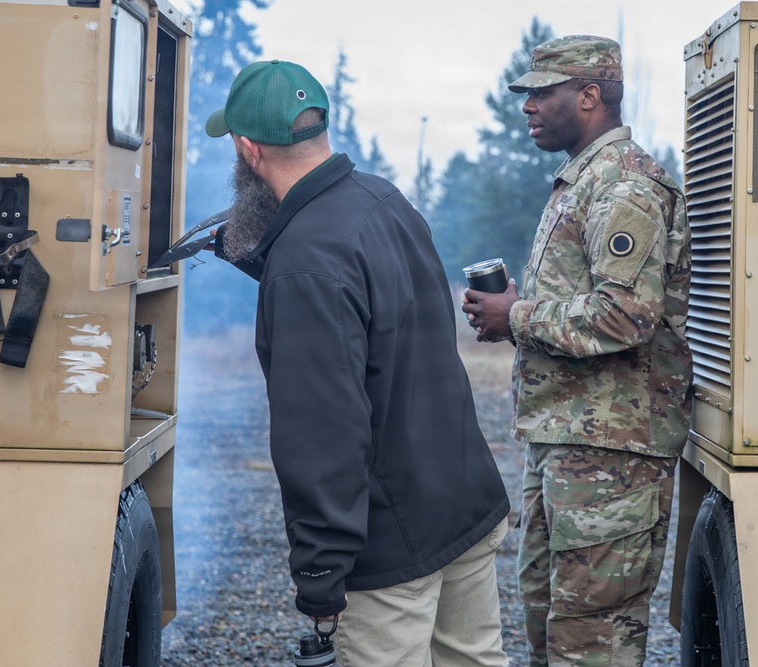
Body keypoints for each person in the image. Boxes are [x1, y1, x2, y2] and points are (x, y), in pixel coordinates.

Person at [205, 59, 511, 666]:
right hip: (462, 502)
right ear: (320, 128)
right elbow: (379, 317)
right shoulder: (384, 200)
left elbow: (322, 431)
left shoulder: (305, 264)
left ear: (248, 150)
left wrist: (320, 574)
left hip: (392, 542)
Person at [461, 35, 692, 666]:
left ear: (589, 96)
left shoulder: (625, 187)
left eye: (543, 92)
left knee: (590, 642)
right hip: (572, 446)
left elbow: (625, 316)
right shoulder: (582, 180)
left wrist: (522, 315)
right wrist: (514, 314)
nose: (528, 107)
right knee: (552, 628)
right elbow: (590, 299)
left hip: (613, 457)